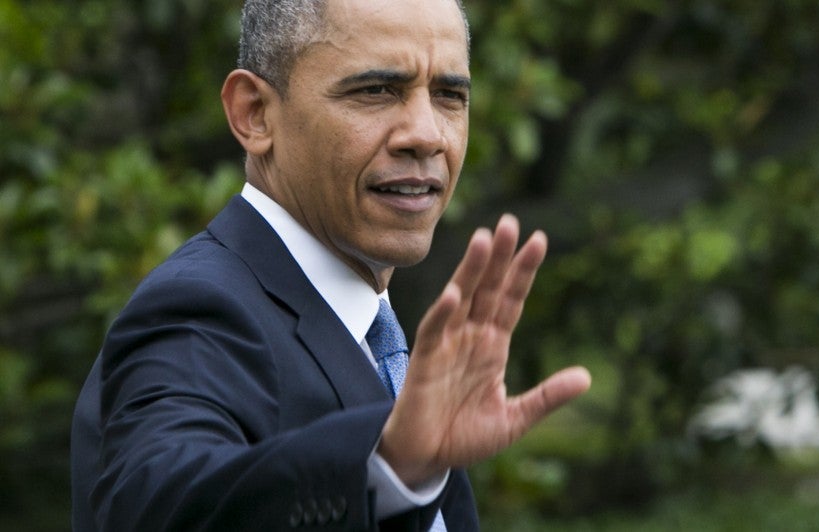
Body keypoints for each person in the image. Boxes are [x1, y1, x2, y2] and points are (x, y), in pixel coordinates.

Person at [69, 0, 592, 530]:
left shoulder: (375, 336)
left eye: (448, 95)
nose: (427, 135)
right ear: (254, 114)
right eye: (376, 91)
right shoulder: (199, 307)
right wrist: (386, 462)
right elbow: (158, 503)